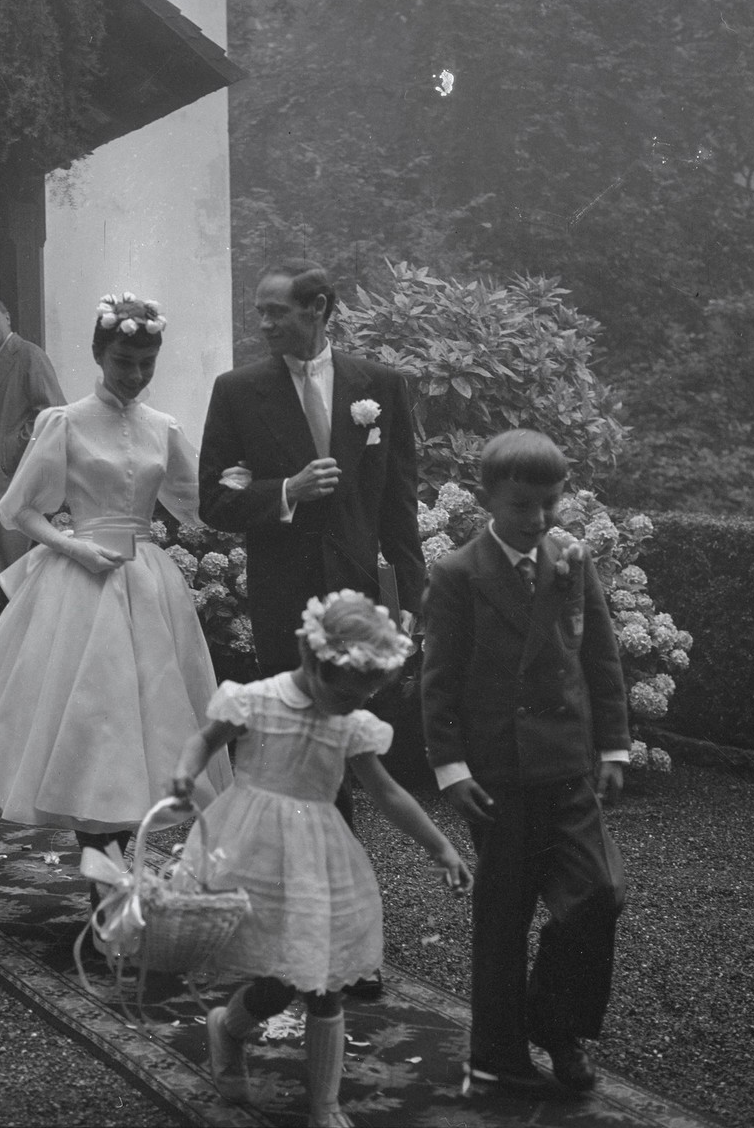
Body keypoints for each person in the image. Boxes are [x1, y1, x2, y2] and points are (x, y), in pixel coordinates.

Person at [0, 294, 232, 874]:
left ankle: (119, 876)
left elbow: (199, 506)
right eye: (122, 363)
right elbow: (20, 511)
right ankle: (103, 876)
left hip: (148, 586)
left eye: (145, 365)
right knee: (93, 719)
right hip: (80, 581)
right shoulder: (64, 421)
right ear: (97, 355)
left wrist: (257, 488)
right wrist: (71, 545)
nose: (134, 376)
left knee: (147, 723)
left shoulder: (163, 427)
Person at [199, 256, 425, 997]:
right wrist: (286, 492)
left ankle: (334, 940)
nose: (262, 324)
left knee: (340, 765)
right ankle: (318, 940)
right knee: (301, 766)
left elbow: (397, 500)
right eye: (260, 312)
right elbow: (213, 499)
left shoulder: (380, 387)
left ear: (319, 308)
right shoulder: (238, 390)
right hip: (283, 602)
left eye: (276, 312)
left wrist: (411, 600)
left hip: (356, 601)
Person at [171, 590, 473, 1128]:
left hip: (319, 857)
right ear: (312, 661)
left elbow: (388, 794)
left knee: (324, 979)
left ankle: (324, 1104)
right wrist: (184, 774)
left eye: (366, 695)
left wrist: (441, 846)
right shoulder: (256, 700)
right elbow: (204, 740)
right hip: (253, 853)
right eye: (347, 692)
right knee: (279, 977)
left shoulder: (350, 722)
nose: (353, 706)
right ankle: (229, 1026)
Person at [420, 429, 630, 1097]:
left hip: (567, 766)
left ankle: (555, 1021)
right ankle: (499, 1056)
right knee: (503, 918)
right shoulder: (458, 573)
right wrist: (451, 770)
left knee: (598, 892)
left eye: (550, 502)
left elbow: (601, 658)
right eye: (523, 505)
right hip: (497, 776)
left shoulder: (572, 559)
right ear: (489, 498)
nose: (539, 518)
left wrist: (614, 747)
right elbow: (439, 681)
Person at [0, 297, 65, 630]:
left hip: (17, 473)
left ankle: (25, 634)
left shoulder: (28, 355)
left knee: (17, 557)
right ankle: (11, 634)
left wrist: (12, 446)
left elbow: (52, 412)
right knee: (1, 562)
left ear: (7, 317)